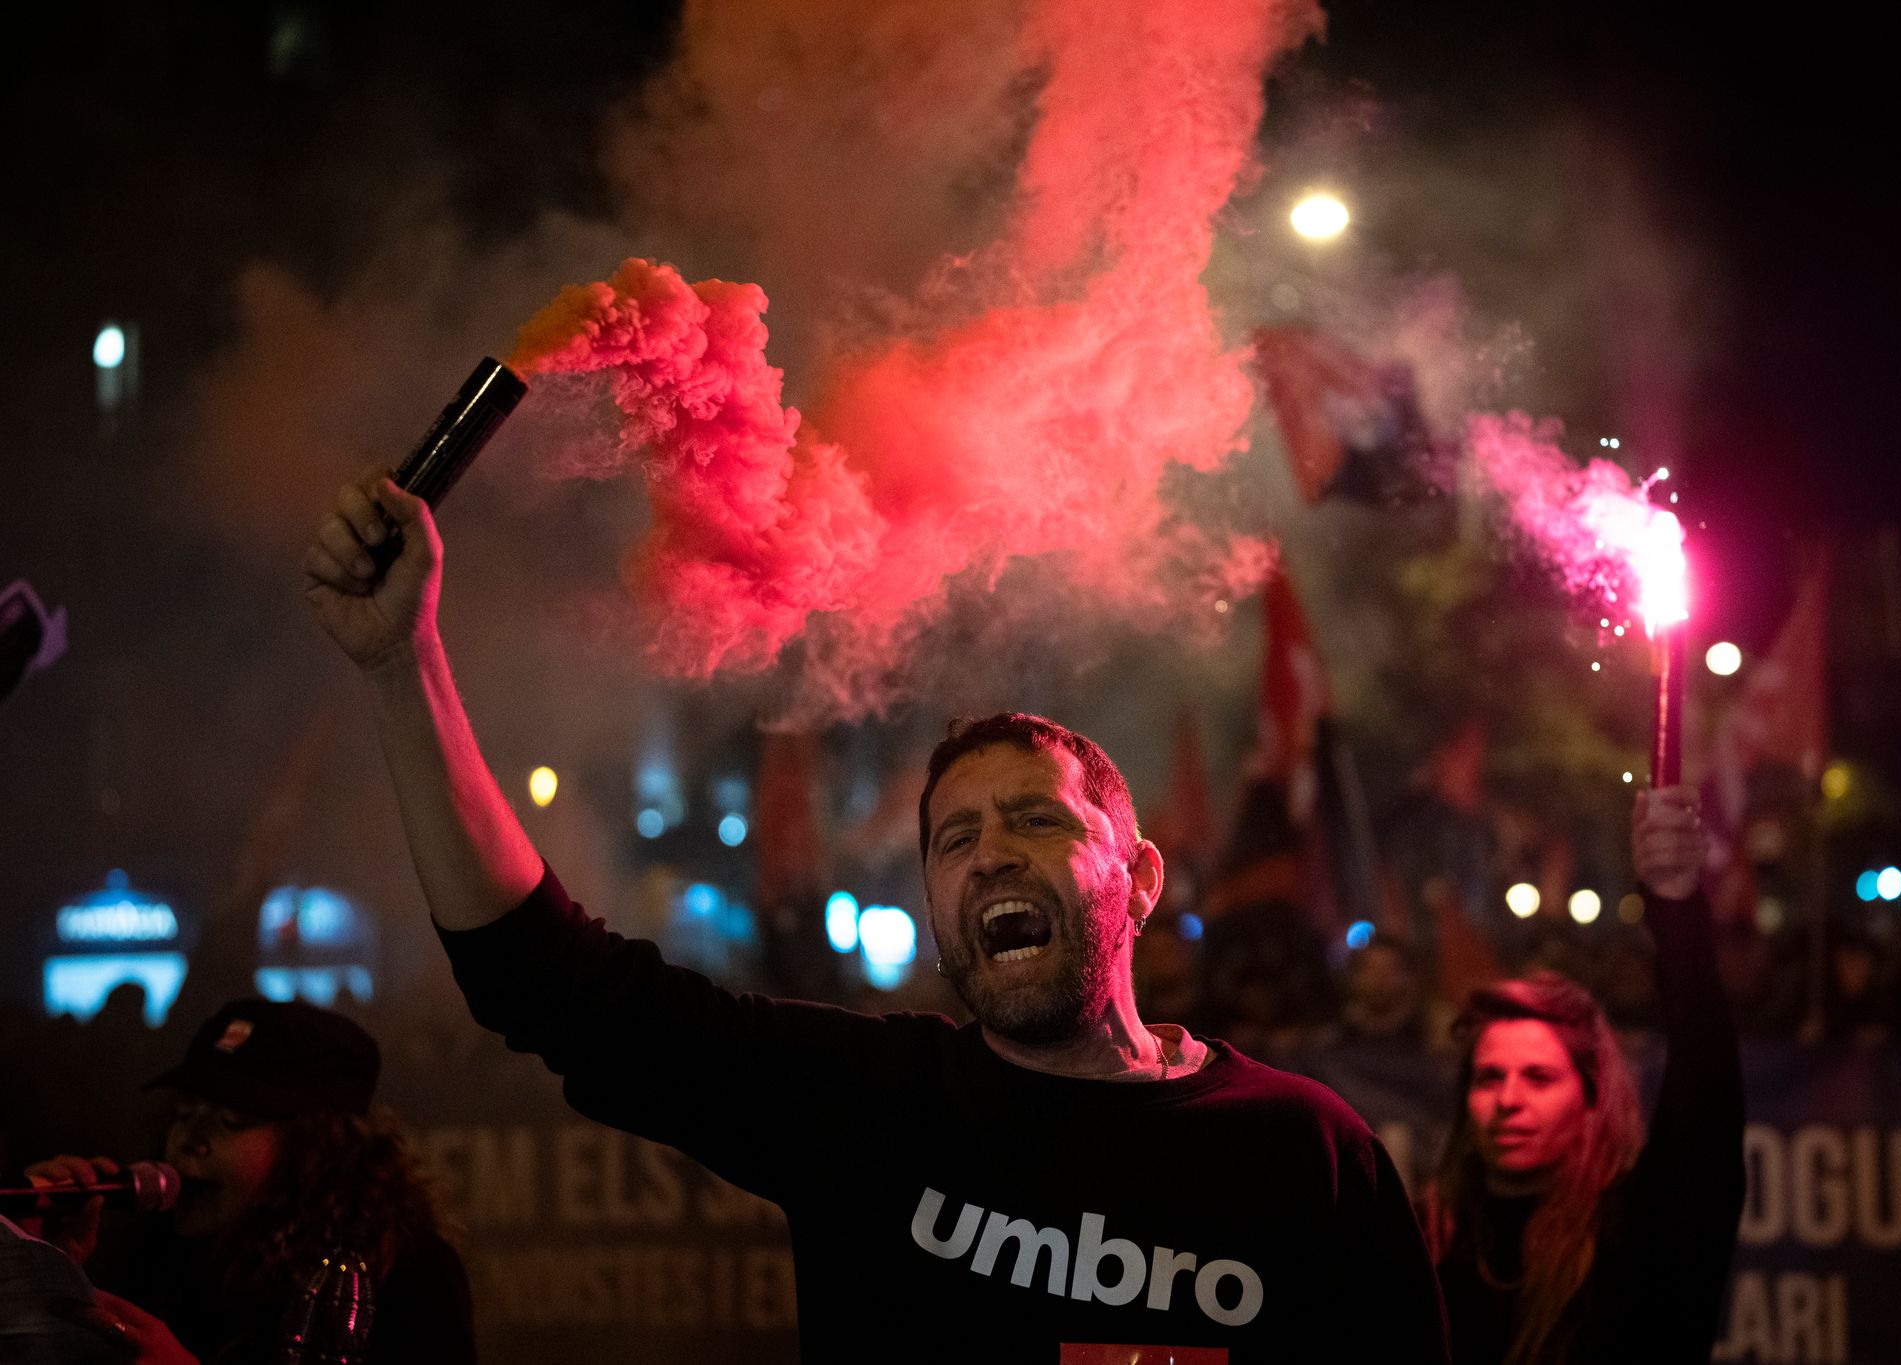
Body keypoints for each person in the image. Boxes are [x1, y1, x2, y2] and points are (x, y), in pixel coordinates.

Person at [302, 472, 1451, 1361]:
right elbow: (542, 980)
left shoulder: (1306, 1151)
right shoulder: (868, 1105)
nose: (990, 853)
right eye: (954, 839)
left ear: (1139, 877)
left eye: (1034, 823)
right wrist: (403, 667)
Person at [1425, 788, 1744, 1365]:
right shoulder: (1430, 1244)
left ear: (1592, 1094)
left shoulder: (1649, 1230)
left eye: (1540, 1078)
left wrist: (1675, 908)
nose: (1508, 1101)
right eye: (1489, 1077)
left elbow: (1708, 1088)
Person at [25, 999, 475, 1365]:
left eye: (230, 1120)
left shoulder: (404, 1274)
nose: (189, 1140)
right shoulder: (151, 1254)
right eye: (183, 1113)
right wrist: (44, 1271)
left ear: (318, 1151)